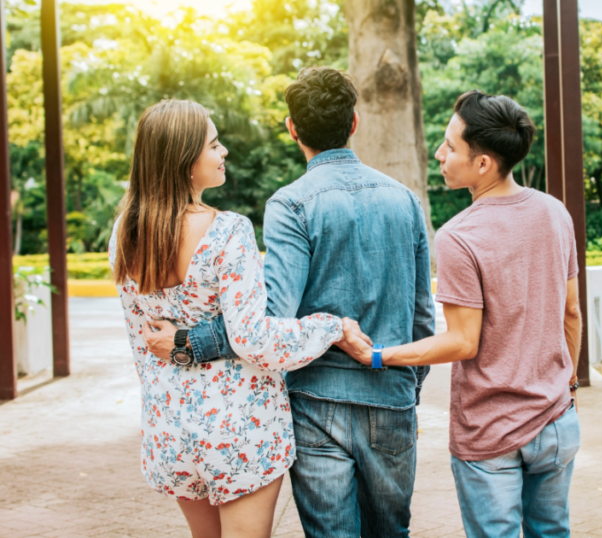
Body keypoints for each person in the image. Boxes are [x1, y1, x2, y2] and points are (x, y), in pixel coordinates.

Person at [144, 67, 435, 538]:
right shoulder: (404, 200)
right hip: (391, 395)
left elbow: (269, 314)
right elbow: (424, 311)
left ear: (292, 128)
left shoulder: (291, 204)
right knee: (391, 532)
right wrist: (407, 384)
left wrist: (190, 341)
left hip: (316, 402)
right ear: (354, 122)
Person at [110, 99, 369, 538]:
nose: (224, 151)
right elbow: (255, 340)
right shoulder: (227, 231)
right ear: (184, 161)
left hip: (170, 425)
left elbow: (143, 342)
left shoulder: (125, 233)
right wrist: (332, 326)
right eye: (214, 145)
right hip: (237, 427)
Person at [348, 90, 583, 538]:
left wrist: (378, 356)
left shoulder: (460, 236)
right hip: (556, 421)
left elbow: (462, 341)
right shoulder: (555, 213)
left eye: (450, 146)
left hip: (490, 432)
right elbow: (571, 312)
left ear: (483, 164)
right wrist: (567, 386)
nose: (440, 153)